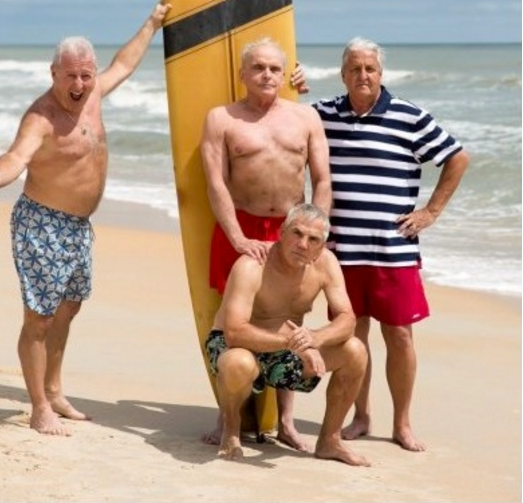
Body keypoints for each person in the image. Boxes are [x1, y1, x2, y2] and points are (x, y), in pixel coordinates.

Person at [0, 2, 171, 436]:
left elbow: (124, 64)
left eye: (86, 75)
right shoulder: (41, 118)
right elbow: (15, 157)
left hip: (78, 226)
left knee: (68, 308)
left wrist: (152, 24)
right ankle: (39, 407)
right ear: (53, 74)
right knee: (38, 318)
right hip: (42, 224)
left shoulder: (94, 92)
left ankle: (55, 389)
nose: (79, 84)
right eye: (71, 75)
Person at [312, 37, 470, 452]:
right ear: (342, 74)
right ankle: (361, 416)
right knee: (351, 336)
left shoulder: (409, 116)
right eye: (354, 69)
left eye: (370, 69)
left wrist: (430, 212)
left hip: (392, 249)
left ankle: (402, 424)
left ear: (381, 74)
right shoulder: (323, 114)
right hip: (340, 249)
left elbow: (456, 158)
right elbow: (285, 121)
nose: (363, 75)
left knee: (399, 335)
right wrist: (294, 81)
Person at [200, 37, 332, 451]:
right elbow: (215, 182)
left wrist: (318, 232)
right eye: (258, 67)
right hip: (239, 226)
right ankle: (229, 415)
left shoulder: (305, 116)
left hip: (292, 227)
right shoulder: (222, 118)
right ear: (242, 74)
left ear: (286, 73)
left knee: (289, 311)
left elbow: (323, 178)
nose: (267, 75)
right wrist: (237, 236)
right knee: (232, 317)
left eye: (275, 68)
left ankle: (286, 421)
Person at [206, 202, 370, 464]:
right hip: (235, 345)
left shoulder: (326, 263)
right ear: (281, 232)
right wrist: (294, 343)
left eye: (313, 239)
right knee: (238, 362)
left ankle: (329, 440)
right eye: (297, 233)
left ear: (321, 246)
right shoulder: (253, 264)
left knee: (355, 351)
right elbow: (234, 332)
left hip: (286, 350)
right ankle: (231, 429)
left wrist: (315, 338)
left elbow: (347, 319)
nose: (303, 244)